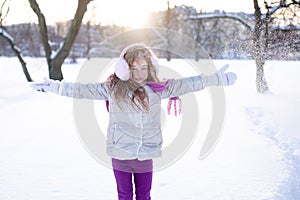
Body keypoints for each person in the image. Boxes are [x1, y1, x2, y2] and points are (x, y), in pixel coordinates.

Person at [30, 43, 237, 200]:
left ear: (151, 68)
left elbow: (188, 84)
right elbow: (82, 90)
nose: (138, 74)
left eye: (143, 68)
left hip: (146, 154)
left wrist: (214, 80)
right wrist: (54, 86)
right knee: (125, 196)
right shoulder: (112, 89)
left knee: (144, 196)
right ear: (123, 69)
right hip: (120, 154)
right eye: (133, 68)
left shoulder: (158, 89)